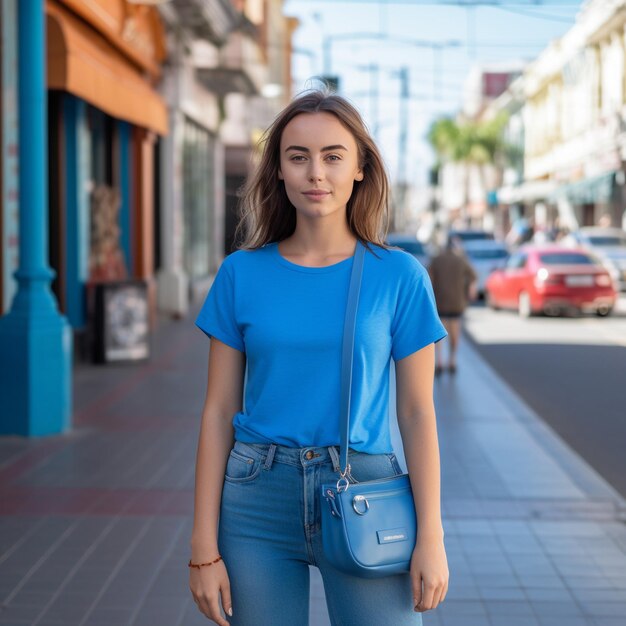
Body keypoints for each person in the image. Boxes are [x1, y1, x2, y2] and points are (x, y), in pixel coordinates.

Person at [189, 90, 449, 626]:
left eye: (333, 156)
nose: (316, 173)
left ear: (359, 168)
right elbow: (217, 413)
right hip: (257, 497)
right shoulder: (241, 274)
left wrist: (432, 535)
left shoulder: (399, 277)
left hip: (367, 490)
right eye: (298, 156)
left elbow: (417, 413)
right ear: (279, 170)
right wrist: (202, 546)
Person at [428, 237, 477, 376]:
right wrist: (470, 291)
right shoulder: (461, 260)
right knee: (454, 333)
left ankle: (439, 362)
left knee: (438, 335)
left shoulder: (436, 260)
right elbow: (473, 277)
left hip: (440, 302)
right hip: (457, 302)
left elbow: (429, 279)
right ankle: (452, 361)